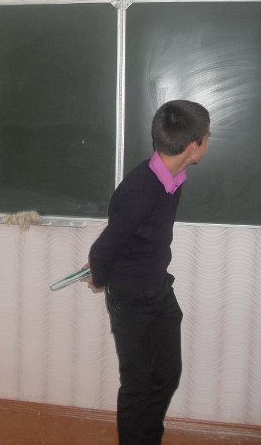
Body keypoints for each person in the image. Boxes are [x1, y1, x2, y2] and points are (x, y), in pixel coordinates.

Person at [84, 100, 210, 445]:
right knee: (138, 385)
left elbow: (131, 236)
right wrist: (100, 276)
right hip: (130, 297)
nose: (209, 141)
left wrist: (109, 264)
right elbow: (104, 247)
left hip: (157, 287)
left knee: (168, 373)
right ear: (193, 145)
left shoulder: (172, 178)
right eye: (208, 136)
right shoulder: (141, 189)